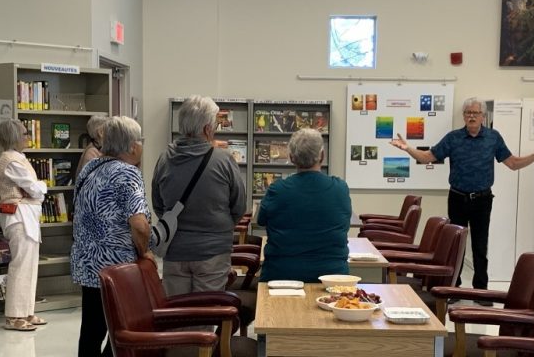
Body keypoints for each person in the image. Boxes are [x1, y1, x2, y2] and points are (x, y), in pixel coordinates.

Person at [389, 98, 534, 302]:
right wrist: (407, 148)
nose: (471, 116)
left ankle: (481, 291)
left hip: (482, 199)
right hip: (457, 197)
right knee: (456, 244)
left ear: (483, 116)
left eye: (475, 113)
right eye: (468, 113)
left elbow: (513, 163)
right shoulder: (453, 138)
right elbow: (427, 157)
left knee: (480, 246)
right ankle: (454, 288)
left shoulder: (493, 137)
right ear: (463, 116)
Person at [71, 116, 151, 357]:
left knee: (92, 330)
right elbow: (139, 225)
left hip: (88, 264)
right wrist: (145, 251)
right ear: (132, 146)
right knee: (123, 329)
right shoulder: (127, 173)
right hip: (117, 268)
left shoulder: (89, 168)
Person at [152, 95, 246, 296]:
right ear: (206, 129)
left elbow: (158, 205)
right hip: (213, 253)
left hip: (174, 251)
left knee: (177, 316)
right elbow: (239, 206)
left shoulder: (164, 160)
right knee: (205, 314)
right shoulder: (224, 161)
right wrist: (219, 227)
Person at [258, 128, 351, 282]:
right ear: (322, 155)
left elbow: (261, 221)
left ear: (291, 157)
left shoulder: (277, 190)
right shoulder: (340, 188)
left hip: (281, 277)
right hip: (333, 279)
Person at [0, 119, 48, 331]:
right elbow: (34, 188)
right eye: (25, 133)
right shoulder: (11, 161)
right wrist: (39, 188)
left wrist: (37, 188)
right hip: (18, 217)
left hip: (27, 215)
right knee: (20, 265)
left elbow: (34, 189)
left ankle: (27, 310)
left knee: (30, 264)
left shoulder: (19, 158)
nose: (28, 137)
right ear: (14, 137)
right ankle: (14, 315)